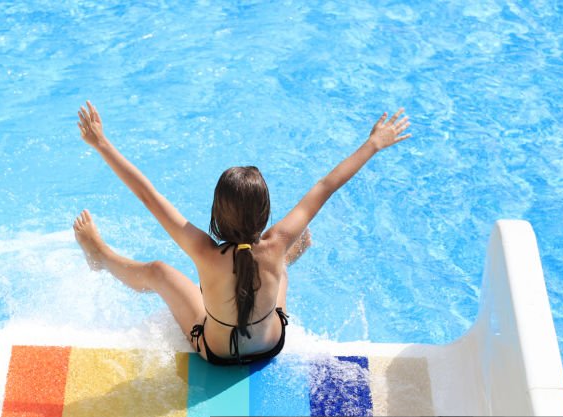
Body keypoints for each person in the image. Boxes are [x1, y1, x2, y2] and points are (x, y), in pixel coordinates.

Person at [72, 101, 411, 366]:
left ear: (216, 216)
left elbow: (148, 195)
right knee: (288, 252)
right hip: (271, 343)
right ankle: (283, 266)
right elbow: (326, 185)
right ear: (265, 214)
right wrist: (373, 143)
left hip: (217, 352)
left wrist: (101, 143)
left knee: (159, 271)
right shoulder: (277, 242)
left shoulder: (203, 250)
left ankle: (102, 257)